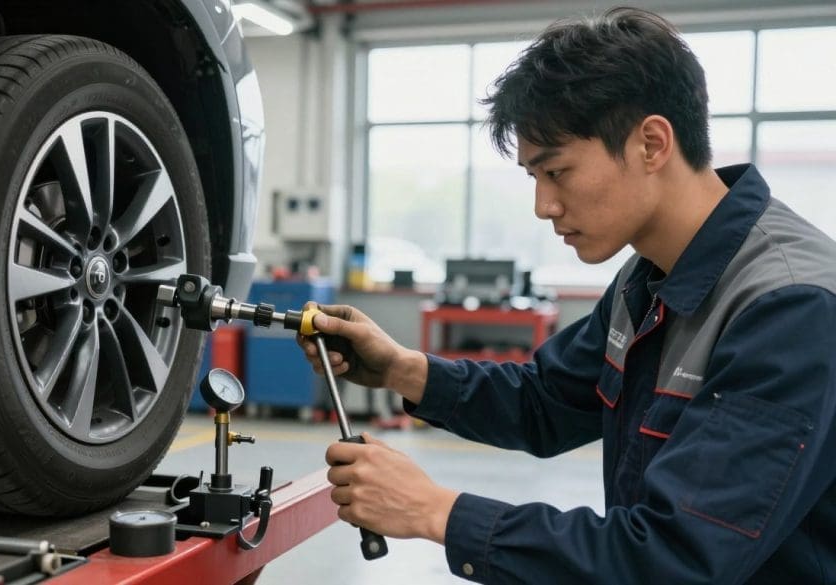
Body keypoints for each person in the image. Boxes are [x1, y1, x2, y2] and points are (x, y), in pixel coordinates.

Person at [297, 6, 836, 584]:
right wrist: (404, 369)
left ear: (651, 144)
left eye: (557, 172)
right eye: (534, 178)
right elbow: (547, 402)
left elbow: (676, 558)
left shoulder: (791, 308)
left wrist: (436, 512)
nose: (543, 206)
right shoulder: (646, 278)